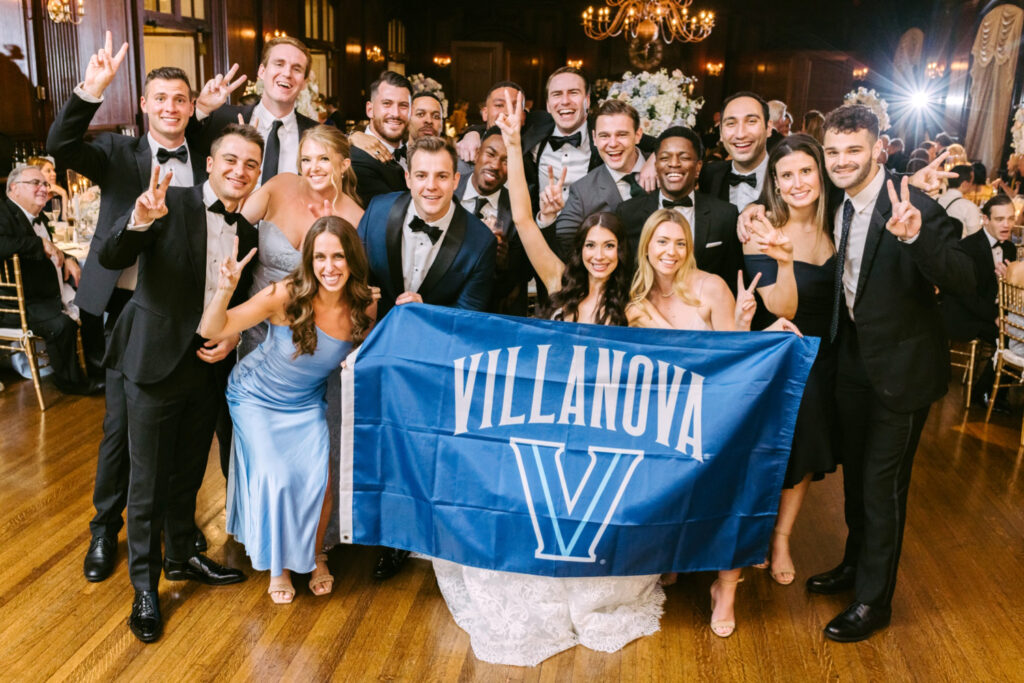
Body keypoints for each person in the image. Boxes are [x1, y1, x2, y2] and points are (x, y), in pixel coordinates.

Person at [426, 91, 663, 666]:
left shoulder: (634, 307)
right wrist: (511, 143)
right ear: (579, 249)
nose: (600, 253)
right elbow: (527, 220)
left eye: (610, 246)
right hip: (548, 419)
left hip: (603, 431)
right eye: (592, 245)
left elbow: (685, 353)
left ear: (622, 252)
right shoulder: (559, 282)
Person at [804, 105, 974, 642]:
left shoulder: (915, 205)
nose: (840, 161)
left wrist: (914, 237)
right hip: (853, 360)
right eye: (833, 151)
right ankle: (855, 566)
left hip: (903, 371)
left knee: (883, 488)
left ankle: (874, 602)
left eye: (853, 150)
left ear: (880, 148)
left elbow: (964, 279)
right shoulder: (838, 201)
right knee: (856, 479)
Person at [47, 34, 213, 582]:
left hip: (184, 316)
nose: (170, 107)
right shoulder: (120, 154)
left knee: (180, 430)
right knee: (121, 431)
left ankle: (172, 531)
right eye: (160, 98)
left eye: (180, 99)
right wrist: (89, 91)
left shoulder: (207, 155)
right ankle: (103, 529)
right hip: (123, 308)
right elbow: (62, 146)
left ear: (191, 107)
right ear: (144, 105)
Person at [98, 124, 265, 643]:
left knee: (187, 473)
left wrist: (233, 338)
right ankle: (144, 588)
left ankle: (182, 558)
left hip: (207, 365)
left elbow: (234, 300)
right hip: (152, 360)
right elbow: (111, 257)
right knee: (146, 482)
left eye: (252, 165)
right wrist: (138, 221)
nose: (240, 171)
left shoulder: (250, 231)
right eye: (231, 161)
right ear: (211, 164)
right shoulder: (167, 201)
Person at [198, 216, 375, 604]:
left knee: (320, 480)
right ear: (309, 260)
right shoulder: (285, 295)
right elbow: (214, 328)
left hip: (306, 401)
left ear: (353, 260)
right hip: (255, 397)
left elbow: (375, 350)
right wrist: (224, 290)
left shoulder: (365, 305)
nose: (330, 267)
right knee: (278, 476)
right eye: (321, 257)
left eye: (339, 257)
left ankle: (315, 555)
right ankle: (278, 566)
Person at [357, 134, 496, 578]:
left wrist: (425, 319)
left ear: (458, 179)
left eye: (441, 176)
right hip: (372, 355)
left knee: (417, 453)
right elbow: (353, 278)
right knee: (369, 445)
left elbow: (470, 320)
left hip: (432, 367)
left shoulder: (478, 242)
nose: (431, 186)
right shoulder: (379, 210)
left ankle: (402, 539)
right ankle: (361, 526)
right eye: (421, 175)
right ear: (407, 176)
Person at [741, 134, 839, 590]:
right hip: (782, 351)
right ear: (774, 184)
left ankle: (782, 537)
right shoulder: (761, 229)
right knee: (776, 452)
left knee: (806, 453)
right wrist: (783, 261)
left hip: (831, 353)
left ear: (821, 174)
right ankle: (760, 532)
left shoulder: (842, 222)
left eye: (806, 171)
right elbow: (782, 309)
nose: (798, 182)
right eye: (786, 175)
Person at [237, 124, 363, 358]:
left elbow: (353, 293)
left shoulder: (356, 219)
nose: (313, 168)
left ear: (344, 164)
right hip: (253, 325)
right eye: (306, 160)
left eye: (323, 159)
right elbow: (230, 233)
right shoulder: (279, 186)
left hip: (310, 339)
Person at [0, 165, 98, 395]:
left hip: (47, 292)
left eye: (45, 184)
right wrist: (38, 244)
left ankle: (98, 370)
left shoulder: (38, 216)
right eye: (36, 183)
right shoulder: (4, 213)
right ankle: (71, 383)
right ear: (14, 189)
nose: (44, 188)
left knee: (93, 305)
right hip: (19, 303)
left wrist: (69, 259)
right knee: (61, 324)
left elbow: (53, 249)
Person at [616, 126, 741, 286]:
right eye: (665, 158)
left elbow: (732, 279)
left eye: (684, 157)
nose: (674, 164)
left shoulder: (725, 215)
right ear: (656, 166)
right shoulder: (627, 213)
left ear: (698, 168)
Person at [192, 36, 318, 185]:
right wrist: (201, 109)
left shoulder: (316, 133)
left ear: (304, 82)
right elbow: (184, 144)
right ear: (262, 71)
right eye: (279, 64)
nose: (287, 74)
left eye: (297, 69)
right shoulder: (222, 118)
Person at [939, 194, 1017, 407]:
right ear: (985, 220)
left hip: (988, 310)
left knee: (1016, 333)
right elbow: (966, 296)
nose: (1007, 224)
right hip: (964, 315)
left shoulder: (1009, 248)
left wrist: (1008, 278)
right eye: (1000, 219)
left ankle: (996, 391)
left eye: (1010, 219)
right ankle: (985, 394)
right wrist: (996, 318)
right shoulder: (967, 248)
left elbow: (1000, 291)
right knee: (1011, 338)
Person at [552, 99, 647, 258]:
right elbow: (564, 244)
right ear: (594, 138)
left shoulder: (664, 170)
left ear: (638, 135)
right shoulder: (582, 190)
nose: (613, 143)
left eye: (621, 134)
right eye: (604, 136)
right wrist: (548, 216)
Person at [454, 126, 531, 315]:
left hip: (487, 312)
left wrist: (503, 263)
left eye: (506, 161)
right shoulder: (448, 189)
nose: (495, 165)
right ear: (477, 154)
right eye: (490, 154)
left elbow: (516, 284)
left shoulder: (518, 210)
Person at [699, 91, 771, 211]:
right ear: (721, 133)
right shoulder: (709, 174)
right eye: (731, 123)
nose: (740, 134)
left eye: (751, 121)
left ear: (768, 128)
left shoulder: (787, 176)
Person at [348, 71, 412, 202]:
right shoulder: (356, 160)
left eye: (403, 105)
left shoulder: (411, 151)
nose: (395, 113)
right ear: (370, 110)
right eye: (387, 103)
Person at [938, 165, 984, 237]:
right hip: (957, 247)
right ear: (964, 184)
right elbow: (975, 237)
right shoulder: (969, 207)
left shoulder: (936, 199)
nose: (972, 185)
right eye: (972, 182)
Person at [26, 156, 69, 224]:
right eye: (48, 171)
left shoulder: (57, 198)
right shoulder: (30, 201)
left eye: (53, 170)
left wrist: (64, 194)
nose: (54, 174)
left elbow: (65, 224)